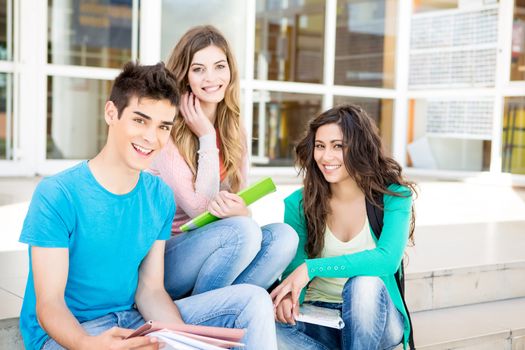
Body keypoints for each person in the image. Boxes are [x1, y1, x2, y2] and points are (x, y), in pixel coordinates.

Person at [18, 62, 277, 350]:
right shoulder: (58, 194)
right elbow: (49, 304)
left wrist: (183, 342)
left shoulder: (159, 196)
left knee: (253, 301)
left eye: (163, 126)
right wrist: (89, 344)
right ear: (111, 113)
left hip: (133, 320)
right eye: (140, 121)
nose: (151, 138)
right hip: (71, 334)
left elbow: (151, 289)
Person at [149, 25, 298, 299]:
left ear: (230, 71)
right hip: (166, 258)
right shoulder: (167, 130)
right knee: (242, 231)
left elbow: (234, 204)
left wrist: (243, 212)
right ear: (184, 76)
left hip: (220, 245)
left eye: (219, 66)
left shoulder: (233, 130)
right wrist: (206, 137)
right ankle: (204, 316)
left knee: (284, 236)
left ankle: (224, 307)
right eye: (198, 69)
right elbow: (200, 209)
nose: (212, 78)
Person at [270, 104, 416, 350]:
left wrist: (312, 268)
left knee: (364, 284)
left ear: (360, 147)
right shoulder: (298, 203)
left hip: (376, 316)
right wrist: (287, 299)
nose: (326, 157)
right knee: (260, 323)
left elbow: (387, 260)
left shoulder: (393, 197)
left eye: (338, 146)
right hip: (317, 316)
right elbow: (294, 270)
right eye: (320, 146)